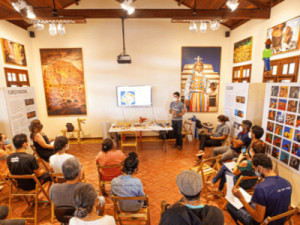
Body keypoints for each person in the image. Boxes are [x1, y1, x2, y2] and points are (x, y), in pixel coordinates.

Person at [227, 154, 292, 225]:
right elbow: (288, 210)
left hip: (263, 222)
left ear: (259, 168)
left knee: (230, 206)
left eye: (254, 168)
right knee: (250, 203)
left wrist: (241, 198)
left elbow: (258, 219)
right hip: (278, 221)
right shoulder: (287, 183)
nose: (255, 171)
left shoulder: (260, 188)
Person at [159, 170, 224, 225]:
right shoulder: (217, 214)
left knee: (179, 203)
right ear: (201, 189)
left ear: (180, 191)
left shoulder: (169, 217)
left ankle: (167, 207)